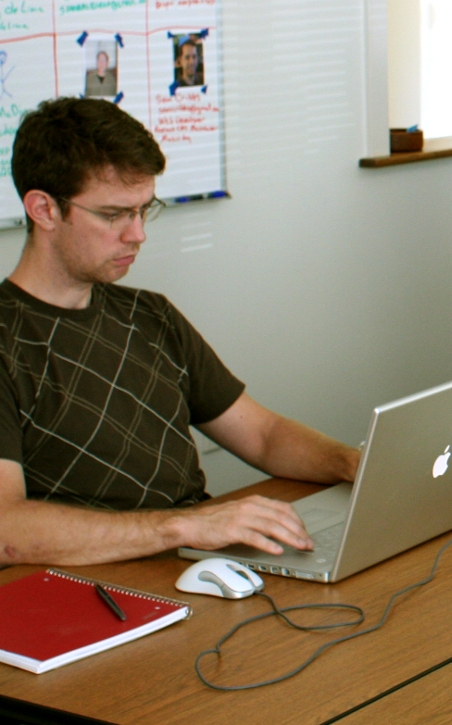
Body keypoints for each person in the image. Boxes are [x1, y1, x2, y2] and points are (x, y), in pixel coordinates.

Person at [0, 99, 359, 566]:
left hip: (194, 565)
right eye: (114, 215)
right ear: (44, 209)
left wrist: (353, 465)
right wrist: (184, 526)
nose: (137, 234)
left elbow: (264, 435)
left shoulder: (151, 316)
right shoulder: (8, 339)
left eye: (144, 209)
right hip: (94, 589)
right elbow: (7, 527)